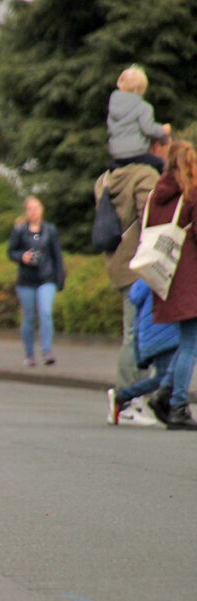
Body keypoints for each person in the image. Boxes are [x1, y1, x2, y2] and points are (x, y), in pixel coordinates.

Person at [93, 136, 171, 423]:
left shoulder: (107, 177)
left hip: (118, 261)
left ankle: (134, 400)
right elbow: (153, 218)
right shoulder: (144, 175)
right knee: (137, 334)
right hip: (142, 263)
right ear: (153, 147)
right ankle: (128, 401)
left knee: (133, 332)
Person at [141, 141, 197, 430]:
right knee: (191, 344)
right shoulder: (191, 193)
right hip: (190, 276)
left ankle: (164, 392)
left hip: (165, 274)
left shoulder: (155, 195)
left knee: (187, 340)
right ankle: (177, 404)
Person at [107, 279, 175, 426]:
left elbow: (136, 296)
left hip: (155, 333)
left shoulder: (145, 281)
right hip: (163, 333)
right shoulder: (162, 278)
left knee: (169, 375)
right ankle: (123, 397)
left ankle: (166, 407)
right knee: (164, 376)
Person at [7, 196, 65, 367]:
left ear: (41, 209)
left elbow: (57, 256)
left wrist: (59, 278)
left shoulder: (50, 230)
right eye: (30, 209)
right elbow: (11, 252)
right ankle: (30, 354)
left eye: (36, 208)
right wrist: (22, 256)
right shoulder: (19, 230)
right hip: (26, 280)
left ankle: (47, 350)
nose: (34, 212)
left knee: (45, 312)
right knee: (29, 317)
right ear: (26, 212)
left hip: (46, 278)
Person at [108, 65, 171, 174]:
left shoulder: (113, 106)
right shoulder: (143, 107)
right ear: (141, 89)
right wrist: (162, 130)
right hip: (136, 154)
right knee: (161, 165)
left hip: (117, 155)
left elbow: (110, 130)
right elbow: (148, 129)